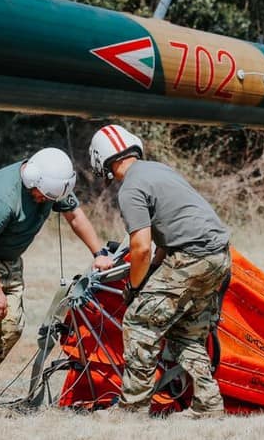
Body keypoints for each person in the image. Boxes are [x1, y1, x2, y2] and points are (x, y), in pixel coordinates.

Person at [0, 147, 113, 415]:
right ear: (31, 180)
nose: (44, 201)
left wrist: (99, 253)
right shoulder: (4, 196)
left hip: (8, 260)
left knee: (11, 327)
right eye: (42, 196)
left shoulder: (51, 184)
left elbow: (75, 216)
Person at [89, 124, 232, 418]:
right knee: (187, 333)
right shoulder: (159, 170)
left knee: (140, 322)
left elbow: (141, 247)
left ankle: (132, 408)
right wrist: (153, 271)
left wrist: (136, 288)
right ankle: (208, 405)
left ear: (104, 160)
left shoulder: (130, 188)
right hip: (219, 256)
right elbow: (167, 237)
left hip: (192, 257)